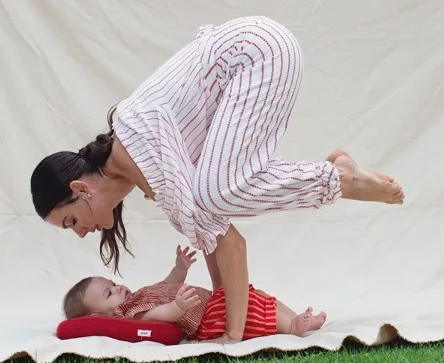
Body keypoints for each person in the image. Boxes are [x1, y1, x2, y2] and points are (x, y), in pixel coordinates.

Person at [30, 16, 404, 344]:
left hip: (257, 53)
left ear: (80, 189)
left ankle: (339, 178)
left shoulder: (141, 152)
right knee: (215, 194)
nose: (80, 232)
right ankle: (338, 173)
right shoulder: (143, 169)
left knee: (216, 194)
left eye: (71, 221)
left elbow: (231, 244)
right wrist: (225, 308)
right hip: (256, 52)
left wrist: (234, 334)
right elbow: (213, 237)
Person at [64, 245, 328, 342]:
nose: (118, 287)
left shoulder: (139, 295)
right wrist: (177, 307)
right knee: (250, 312)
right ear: (103, 314)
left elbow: (168, 283)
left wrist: (179, 269)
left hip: (212, 303)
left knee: (253, 295)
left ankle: (297, 318)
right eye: (110, 293)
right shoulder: (133, 314)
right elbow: (161, 314)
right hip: (206, 320)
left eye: (113, 283)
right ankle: (292, 327)